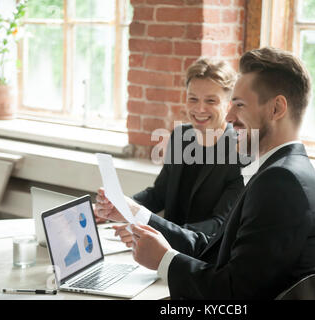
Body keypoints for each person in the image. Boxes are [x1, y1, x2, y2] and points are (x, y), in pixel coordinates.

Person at [97, 47, 315, 299]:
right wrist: (143, 223)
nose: (230, 117)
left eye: (239, 105)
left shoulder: (280, 181)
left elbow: (235, 292)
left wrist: (165, 261)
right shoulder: (281, 170)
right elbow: (215, 249)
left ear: (276, 109)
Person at [95, 58, 244, 237]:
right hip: (165, 250)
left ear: (228, 105)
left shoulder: (241, 150)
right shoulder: (181, 136)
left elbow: (219, 225)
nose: (200, 109)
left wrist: (152, 229)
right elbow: (159, 194)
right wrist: (119, 206)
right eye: (193, 99)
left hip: (203, 258)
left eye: (211, 101)